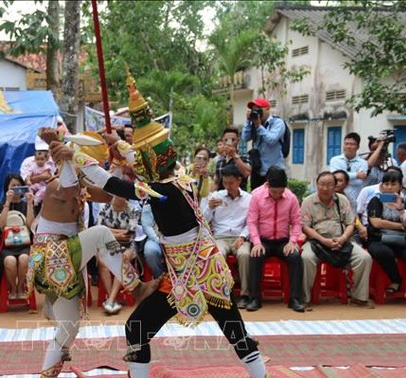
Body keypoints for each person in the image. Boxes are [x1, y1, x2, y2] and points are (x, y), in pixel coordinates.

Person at [44, 71, 266, 377]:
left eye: (141, 151)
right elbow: (141, 162)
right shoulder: (179, 174)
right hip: (190, 270)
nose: (140, 160)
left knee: (230, 331)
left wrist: (77, 155)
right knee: (141, 328)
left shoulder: (161, 190)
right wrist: (119, 144)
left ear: (154, 159)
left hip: (195, 272)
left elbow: (111, 183)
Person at [28, 131, 154, 378]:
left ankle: (46, 375)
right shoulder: (57, 184)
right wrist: (62, 148)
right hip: (54, 253)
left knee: (69, 328)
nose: (90, 172)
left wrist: (117, 164)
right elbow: (67, 189)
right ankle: (136, 287)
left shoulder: (79, 186)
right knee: (99, 234)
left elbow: (108, 194)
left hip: (64, 257)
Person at [300, 172, 374, 309]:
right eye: (322, 184)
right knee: (305, 258)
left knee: (364, 258)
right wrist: (323, 240)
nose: (325, 188)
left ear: (335, 186)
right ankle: (304, 299)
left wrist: (343, 238)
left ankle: (359, 297)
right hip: (316, 241)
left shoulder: (342, 200)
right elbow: (305, 227)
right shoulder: (308, 202)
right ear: (317, 185)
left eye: (329, 185)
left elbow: (350, 223)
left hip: (342, 240)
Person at [245, 167, 305, 313]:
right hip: (263, 240)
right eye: (274, 192)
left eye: (280, 191)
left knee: (295, 256)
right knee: (255, 255)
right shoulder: (256, 196)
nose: (277, 195)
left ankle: (295, 299)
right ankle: (255, 299)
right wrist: (257, 243)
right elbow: (252, 221)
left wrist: (292, 241)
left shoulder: (291, 198)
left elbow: (297, 222)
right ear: (267, 185)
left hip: (282, 241)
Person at [366, 170, 406, 310]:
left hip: (402, 239)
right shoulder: (375, 200)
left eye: (393, 184)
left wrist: (400, 210)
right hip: (378, 238)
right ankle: (396, 279)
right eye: (386, 183)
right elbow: (376, 223)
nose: (389, 187)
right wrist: (400, 225)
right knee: (383, 252)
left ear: (400, 186)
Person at [202, 164, 252, 309]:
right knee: (217, 253)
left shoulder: (249, 199)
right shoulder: (216, 197)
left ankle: (245, 294)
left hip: (239, 237)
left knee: (244, 255)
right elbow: (204, 221)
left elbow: (251, 222)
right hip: (220, 237)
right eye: (225, 183)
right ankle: (221, 293)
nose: (228, 186)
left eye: (231, 183)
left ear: (239, 180)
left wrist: (243, 236)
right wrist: (209, 208)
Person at [96, 192, 141, 314]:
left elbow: (129, 233)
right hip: (106, 243)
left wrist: (109, 232)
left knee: (122, 261)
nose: (118, 197)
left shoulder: (133, 209)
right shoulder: (104, 207)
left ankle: (110, 300)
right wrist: (117, 233)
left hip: (126, 244)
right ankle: (112, 300)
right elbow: (99, 229)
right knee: (102, 262)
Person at [0, 174, 35, 300]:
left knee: (24, 259)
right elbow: (0, 225)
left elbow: (31, 225)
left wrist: (29, 204)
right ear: (7, 188)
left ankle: (21, 286)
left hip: (25, 244)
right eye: (13, 186)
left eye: (19, 185)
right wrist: (8, 202)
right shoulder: (0, 205)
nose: (16, 188)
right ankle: (12, 288)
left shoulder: (26, 204)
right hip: (6, 246)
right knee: (10, 261)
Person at [241, 98, 285, 190]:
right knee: (256, 198)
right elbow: (245, 138)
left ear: (267, 108)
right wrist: (248, 121)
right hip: (257, 170)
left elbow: (271, 139)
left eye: (258, 109)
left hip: (274, 171)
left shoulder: (277, 123)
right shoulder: (253, 123)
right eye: (254, 110)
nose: (256, 112)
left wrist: (259, 126)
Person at [329, 132, 368, 215]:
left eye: (352, 144)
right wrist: (356, 175)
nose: (348, 146)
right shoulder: (335, 160)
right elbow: (334, 178)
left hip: (355, 200)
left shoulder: (363, 163)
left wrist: (343, 178)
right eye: (346, 144)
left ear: (357, 147)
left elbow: (360, 182)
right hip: (337, 198)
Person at [140, 203, 165, 279]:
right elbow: (146, 225)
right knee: (150, 251)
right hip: (156, 238)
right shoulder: (150, 200)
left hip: (178, 238)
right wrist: (157, 240)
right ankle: (159, 277)